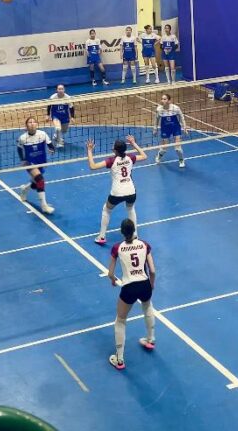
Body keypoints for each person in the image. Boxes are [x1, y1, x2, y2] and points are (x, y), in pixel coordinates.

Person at [106, 219, 157, 371]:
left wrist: (113, 280)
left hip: (129, 287)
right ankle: (150, 339)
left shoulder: (117, 248)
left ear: (121, 232)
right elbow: (152, 270)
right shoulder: (144, 245)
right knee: (147, 307)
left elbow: (110, 273)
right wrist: (151, 284)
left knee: (120, 320)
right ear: (134, 229)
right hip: (144, 283)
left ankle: (119, 359)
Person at [87, 135, 147, 245]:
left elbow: (93, 166)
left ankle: (101, 236)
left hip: (117, 192)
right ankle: (134, 235)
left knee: (106, 209)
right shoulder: (130, 157)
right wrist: (134, 143)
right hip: (131, 191)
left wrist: (90, 151)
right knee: (130, 209)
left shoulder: (111, 161)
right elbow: (144, 156)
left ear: (115, 150)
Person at [17, 117, 56, 214]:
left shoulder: (43, 134)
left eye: (34, 122)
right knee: (40, 180)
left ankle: (25, 189)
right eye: (29, 122)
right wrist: (22, 160)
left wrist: (52, 150)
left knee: (36, 184)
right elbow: (19, 149)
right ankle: (44, 206)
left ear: (37, 124)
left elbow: (51, 146)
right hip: (29, 162)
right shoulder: (22, 138)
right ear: (26, 126)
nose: (32, 124)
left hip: (41, 161)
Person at [154, 93, 188, 168]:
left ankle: (181, 160)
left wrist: (184, 126)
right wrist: (155, 128)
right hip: (165, 128)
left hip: (175, 127)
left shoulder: (175, 108)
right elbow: (156, 119)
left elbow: (182, 117)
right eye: (162, 99)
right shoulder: (159, 109)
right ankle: (159, 156)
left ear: (169, 100)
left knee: (177, 148)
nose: (162, 100)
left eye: (164, 99)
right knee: (164, 148)